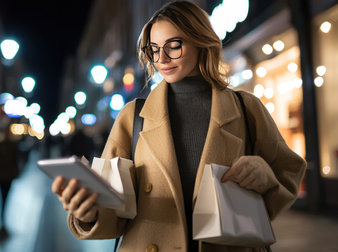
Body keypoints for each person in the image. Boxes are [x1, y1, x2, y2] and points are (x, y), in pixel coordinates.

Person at [51, 1, 306, 251]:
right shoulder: (133, 116)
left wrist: (264, 174)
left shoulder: (245, 108)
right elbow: (112, 208)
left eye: (174, 46)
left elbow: (288, 172)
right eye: (153, 49)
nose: (161, 58)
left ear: (200, 40)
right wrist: (88, 211)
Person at [0, 127, 20, 239]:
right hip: (6, 175)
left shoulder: (3, 144)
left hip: (4, 174)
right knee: (4, 196)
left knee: (3, 196)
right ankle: (2, 216)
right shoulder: (9, 145)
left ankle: (2, 216)